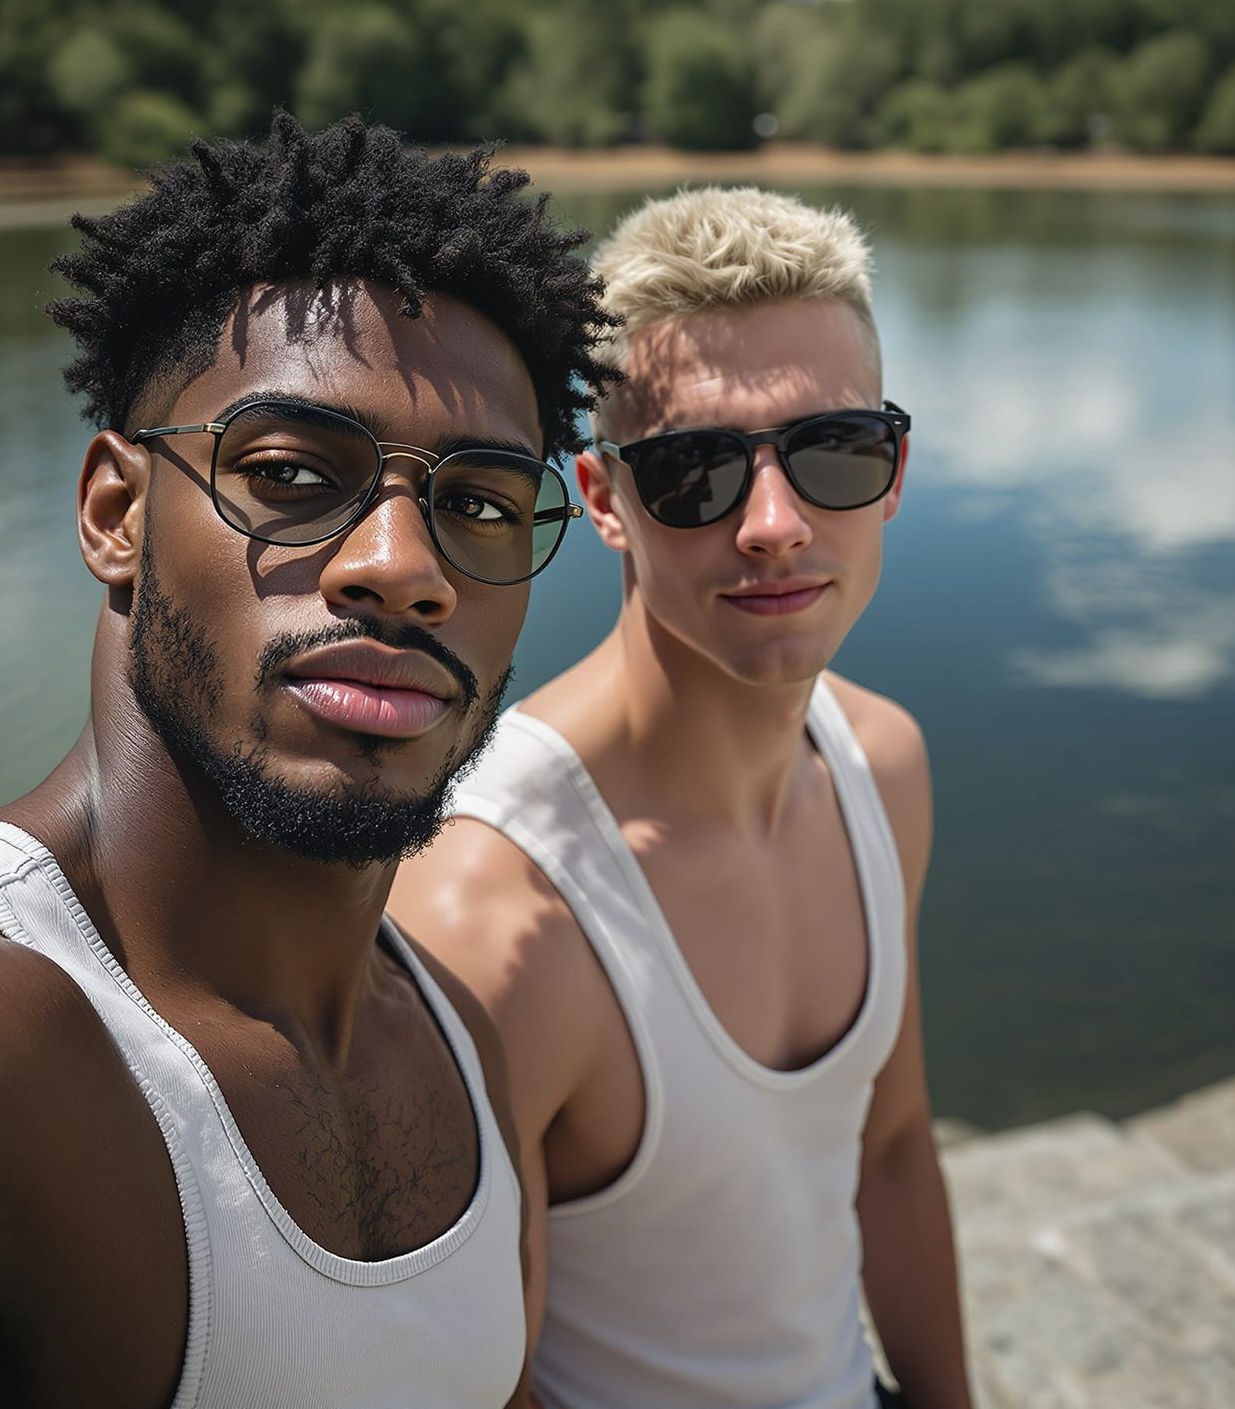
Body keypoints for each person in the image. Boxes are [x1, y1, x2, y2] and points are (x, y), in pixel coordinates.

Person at [0, 113, 617, 1408]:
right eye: (289, 473)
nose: (403, 567)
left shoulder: (454, 1035)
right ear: (116, 513)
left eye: (482, 502)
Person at [392, 186, 974, 1409]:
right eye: (694, 472)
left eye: (833, 454)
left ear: (894, 470)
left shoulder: (886, 765)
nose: (772, 526)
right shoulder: (493, 914)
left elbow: (893, 1146)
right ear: (603, 499)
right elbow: (489, 1380)